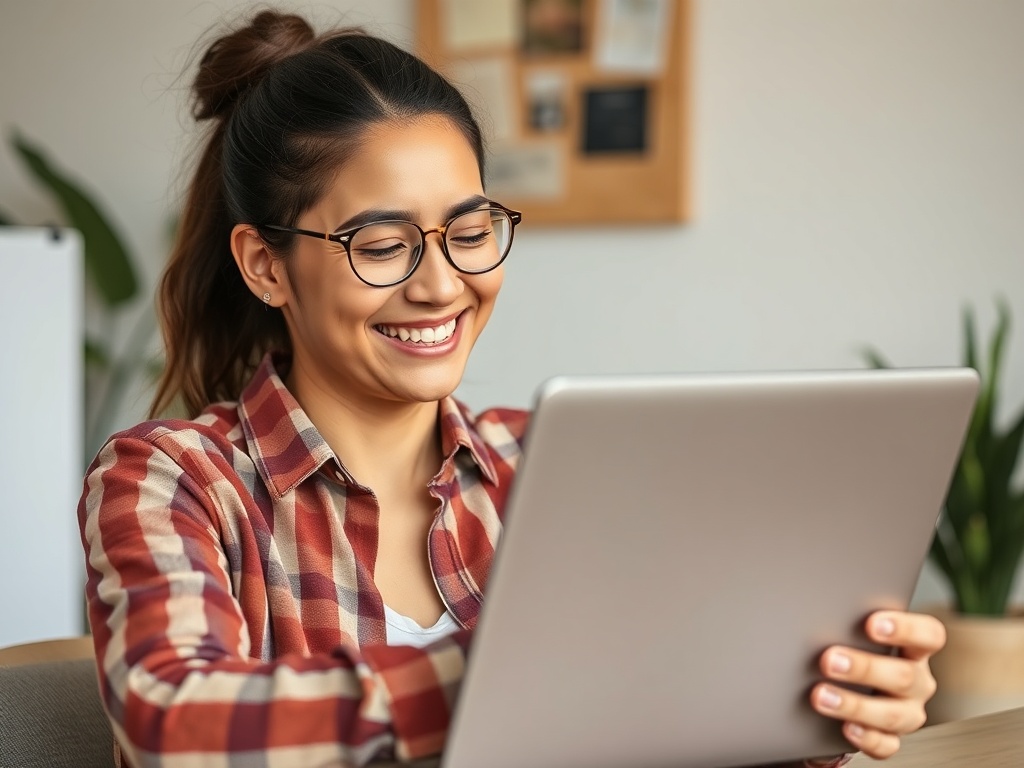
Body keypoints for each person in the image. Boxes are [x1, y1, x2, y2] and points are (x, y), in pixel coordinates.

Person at [78, 9, 945, 768]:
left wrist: (823, 703)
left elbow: (660, 723)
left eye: (469, 229)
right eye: (383, 245)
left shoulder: (550, 462)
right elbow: (173, 727)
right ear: (266, 265)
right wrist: (506, 674)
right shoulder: (174, 479)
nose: (442, 285)